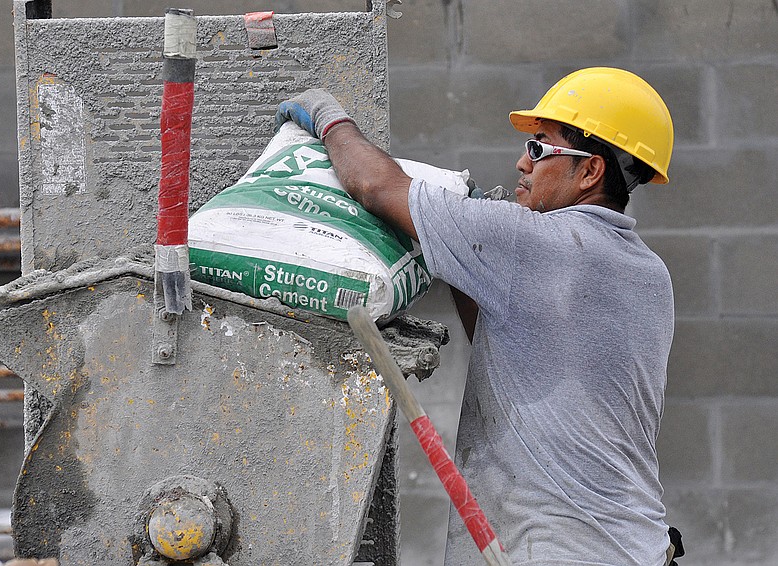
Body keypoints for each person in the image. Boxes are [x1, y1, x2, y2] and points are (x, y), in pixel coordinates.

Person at [275, 67, 682, 566]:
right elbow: (518, 348)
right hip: (636, 546)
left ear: (590, 172)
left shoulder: (538, 244)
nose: (521, 163)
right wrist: (468, 259)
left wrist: (328, 116)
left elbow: (375, 186)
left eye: (538, 148)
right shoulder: (649, 274)